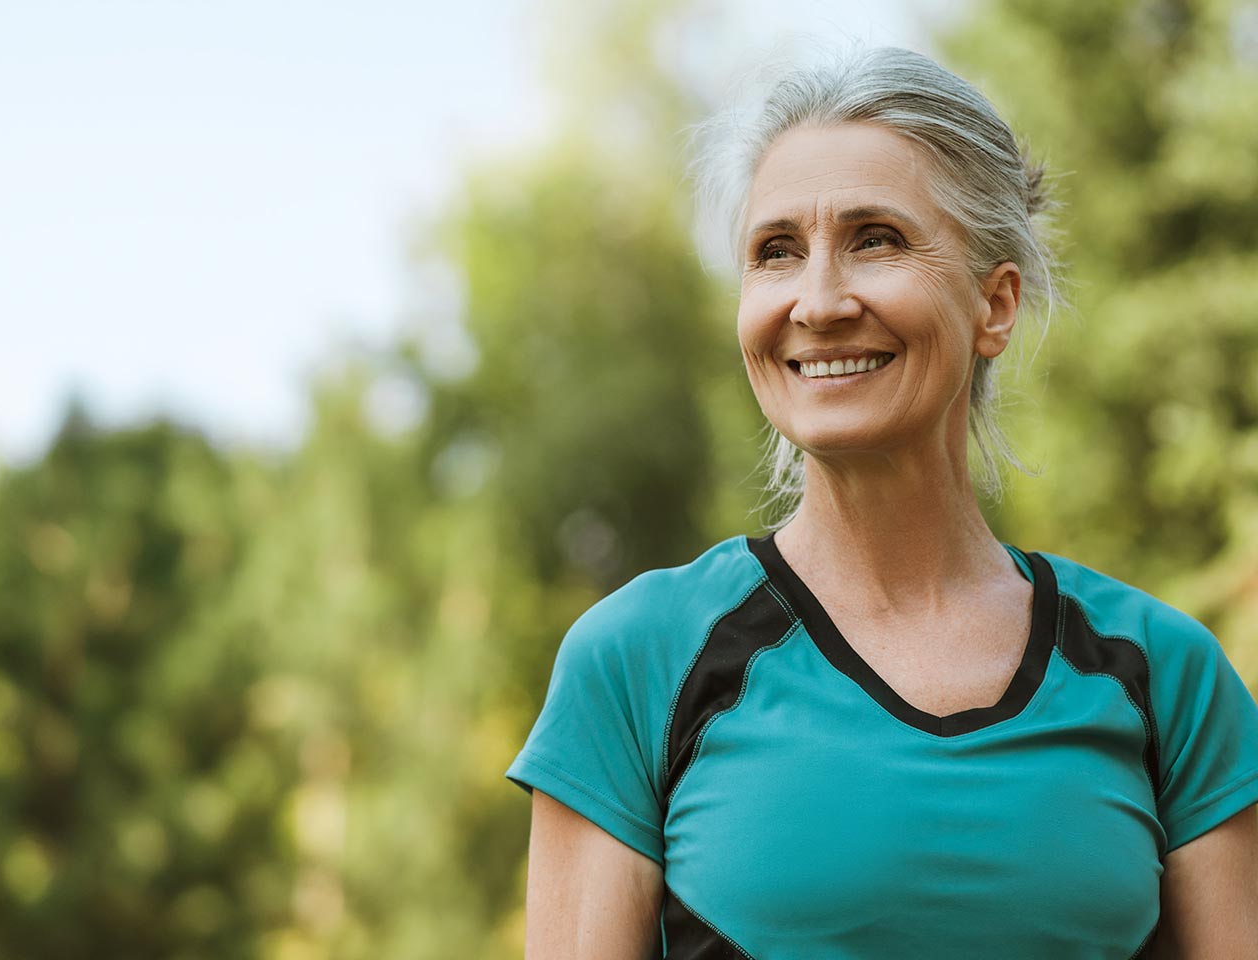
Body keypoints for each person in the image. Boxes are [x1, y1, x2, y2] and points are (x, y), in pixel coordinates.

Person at [504, 45, 1258, 959]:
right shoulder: (637, 664)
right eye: (776, 252)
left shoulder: (1166, 677)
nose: (817, 302)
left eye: (877, 239)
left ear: (995, 304)